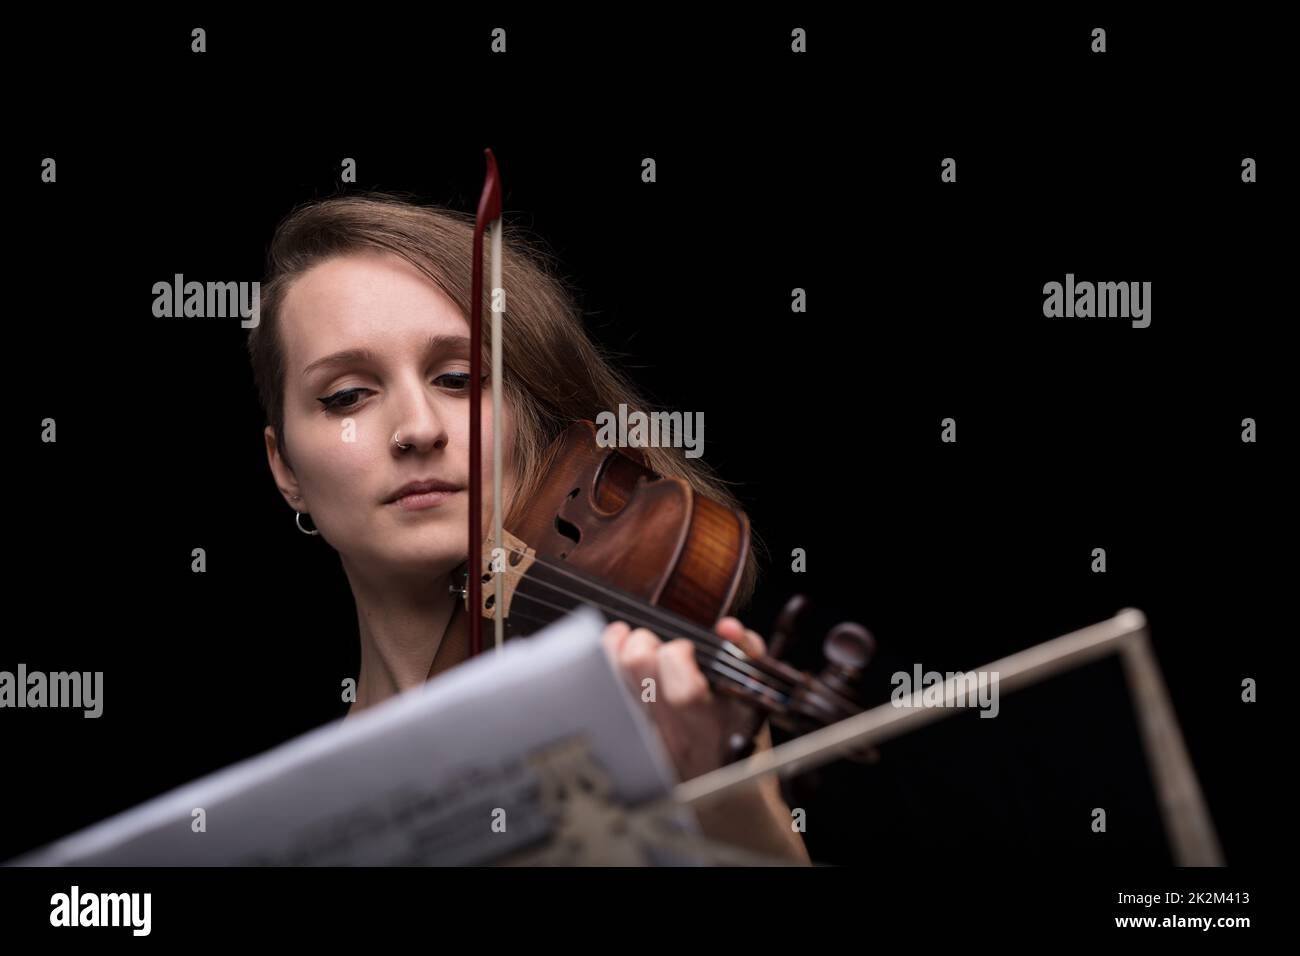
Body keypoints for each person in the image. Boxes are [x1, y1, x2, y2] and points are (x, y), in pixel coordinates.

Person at [247, 193, 809, 863]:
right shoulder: (293, 822)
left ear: (526, 419)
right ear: (286, 469)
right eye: (347, 396)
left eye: (459, 377)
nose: (419, 428)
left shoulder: (649, 682)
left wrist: (728, 803)